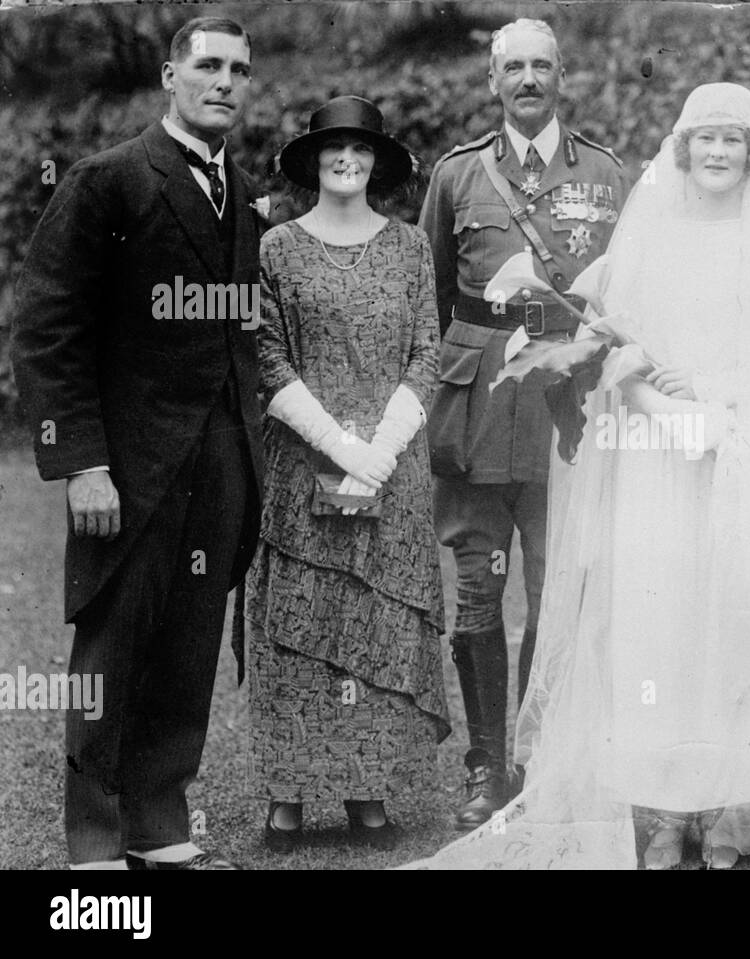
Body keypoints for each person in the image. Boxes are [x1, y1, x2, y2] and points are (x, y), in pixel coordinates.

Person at [403, 82, 750, 870]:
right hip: (655, 461)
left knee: (730, 633)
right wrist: (662, 405)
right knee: (660, 636)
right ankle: (666, 811)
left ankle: (721, 809)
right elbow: (612, 347)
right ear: (682, 149)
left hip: (740, 457)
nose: (717, 153)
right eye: (704, 139)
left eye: (733, 141)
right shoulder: (648, 238)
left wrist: (720, 404)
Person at [10, 17, 263, 870]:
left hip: (218, 460)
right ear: (169, 75)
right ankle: (93, 842)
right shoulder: (108, 179)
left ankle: (159, 827)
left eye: (239, 69)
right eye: (209, 66)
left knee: (187, 646)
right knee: (111, 648)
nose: (225, 81)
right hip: (127, 465)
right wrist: (82, 461)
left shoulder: (243, 193)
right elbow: (48, 327)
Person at [417, 18, 626, 830]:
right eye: (515, 68)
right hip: (478, 408)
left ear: (563, 76)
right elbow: (432, 295)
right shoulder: (459, 176)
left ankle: (540, 754)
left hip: (566, 410)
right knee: (478, 586)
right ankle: (484, 763)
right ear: (493, 80)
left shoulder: (605, 174)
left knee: (557, 586)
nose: (529, 80)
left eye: (543, 66)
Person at [246, 96, 450, 852]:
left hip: (392, 468)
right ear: (312, 159)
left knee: (376, 625)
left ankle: (368, 791)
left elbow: (427, 351)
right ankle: (288, 796)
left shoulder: (408, 248)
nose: (347, 160)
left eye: (360, 149)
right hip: (304, 464)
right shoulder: (276, 249)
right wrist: (336, 443)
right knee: (299, 627)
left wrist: (381, 450)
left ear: (376, 162)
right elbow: (268, 356)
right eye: (333, 148)